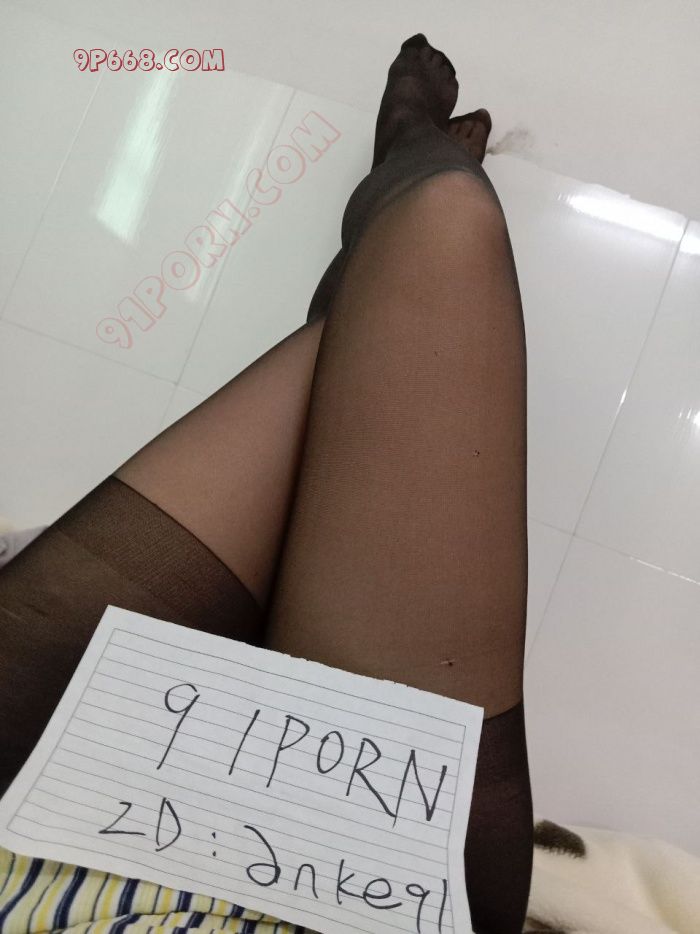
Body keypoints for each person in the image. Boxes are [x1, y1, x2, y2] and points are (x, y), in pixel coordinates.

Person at [0, 35, 532, 934]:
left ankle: (390, 196)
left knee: (412, 277)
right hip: (373, 897)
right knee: (445, 225)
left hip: (19, 835)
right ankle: (398, 175)